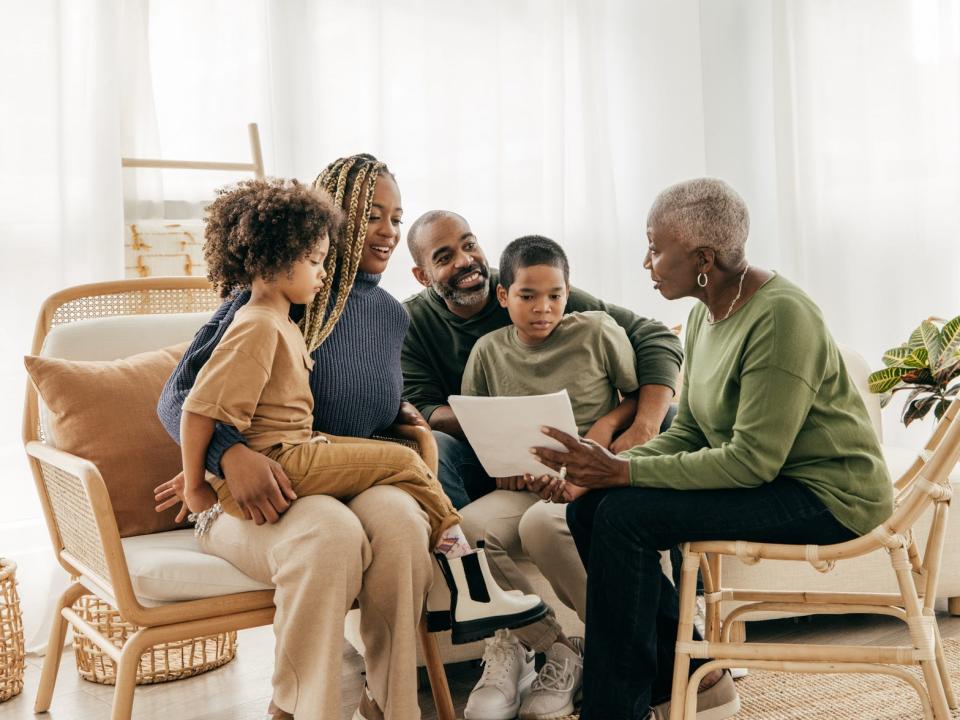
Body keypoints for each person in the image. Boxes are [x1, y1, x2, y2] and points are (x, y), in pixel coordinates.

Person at [529, 178, 894, 720]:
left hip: (828, 494)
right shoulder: (705, 313)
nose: (646, 262)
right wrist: (601, 468)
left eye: (656, 248)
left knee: (624, 516)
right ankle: (674, 685)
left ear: (704, 258)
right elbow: (693, 432)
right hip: (772, 480)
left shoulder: (782, 316)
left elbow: (752, 460)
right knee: (588, 509)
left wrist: (622, 475)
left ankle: (617, 709)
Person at [156, 155, 434, 720]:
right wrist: (226, 455)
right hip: (275, 488)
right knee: (327, 536)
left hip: (338, 471)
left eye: (397, 218)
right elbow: (180, 397)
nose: (388, 232)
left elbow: (369, 410)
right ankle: (298, 708)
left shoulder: (390, 315)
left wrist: (406, 421)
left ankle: (390, 705)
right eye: (372, 214)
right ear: (333, 219)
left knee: (404, 527)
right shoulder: (271, 295)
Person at [401, 212, 683, 720]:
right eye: (444, 257)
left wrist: (623, 436)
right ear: (423, 275)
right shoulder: (441, 333)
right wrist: (501, 452)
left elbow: (652, 348)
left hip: (591, 467)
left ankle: (642, 650)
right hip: (508, 470)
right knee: (465, 521)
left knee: (549, 519)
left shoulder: (569, 308)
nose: (466, 262)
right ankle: (554, 646)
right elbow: (426, 408)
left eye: (469, 245)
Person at [457, 235, 641, 720]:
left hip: (590, 480)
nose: (544, 308)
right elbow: (480, 425)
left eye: (555, 295)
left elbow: (636, 397)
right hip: (525, 485)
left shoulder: (598, 331)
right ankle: (556, 648)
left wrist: (602, 430)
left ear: (568, 290)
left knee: (540, 524)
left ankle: (621, 641)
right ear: (503, 295)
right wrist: (508, 470)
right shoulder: (487, 351)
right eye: (528, 296)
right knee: (466, 530)